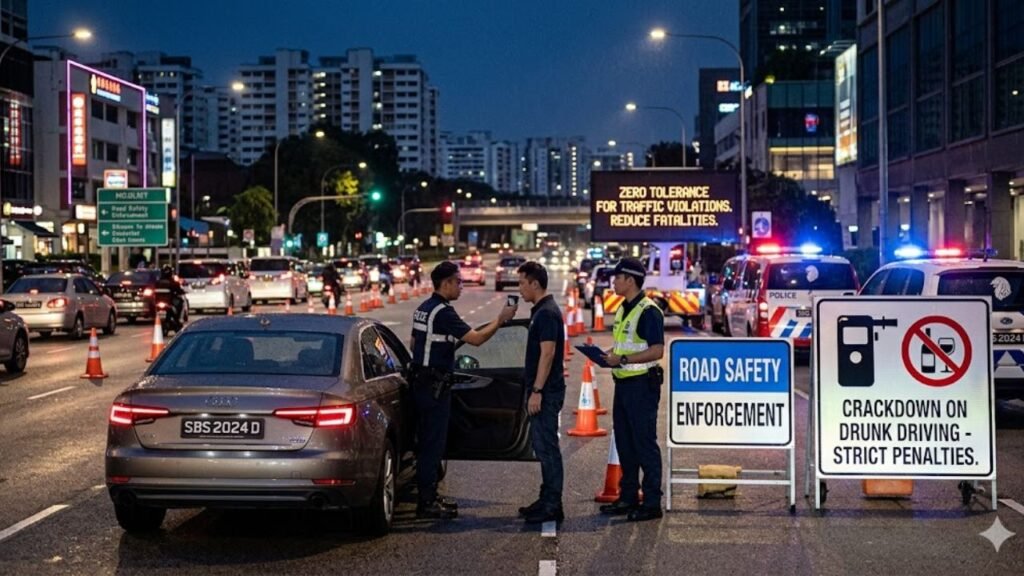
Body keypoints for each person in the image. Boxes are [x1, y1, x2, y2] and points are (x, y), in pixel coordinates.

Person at [409, 260, 517, 519]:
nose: (461, 286)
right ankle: (427, 502)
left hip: (422, 383)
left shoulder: (424, 308)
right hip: (434, 387)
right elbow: (476, 339)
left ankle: (429, 495)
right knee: (433, 444)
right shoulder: (443, 313)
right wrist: (500, 320)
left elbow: (414, 343)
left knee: (427, 442)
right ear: (445, 283)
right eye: (458, 282)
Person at [599, 257, 665, 522]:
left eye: (617, 277)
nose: (613, 282)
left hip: (642, 386)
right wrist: (609, 355)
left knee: (644, 443)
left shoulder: (649, 311)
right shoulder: (623, 308)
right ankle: (628, 497)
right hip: (624, 383)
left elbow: (657, 350)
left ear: (630, 280)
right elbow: (624, 344)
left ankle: (651, 502)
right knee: (625, 443)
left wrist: (623, 359)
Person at [515, 261, 565, 524]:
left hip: (546, 392)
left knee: (548, 449)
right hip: (544, 390)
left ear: (535, 284)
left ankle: (553, 504)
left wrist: (537, 390)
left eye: (522, 283)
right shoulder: (541, 311)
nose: (519, 288)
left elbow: (548, 353)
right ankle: (546, 498)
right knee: (542, 447)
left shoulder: (546, 313)